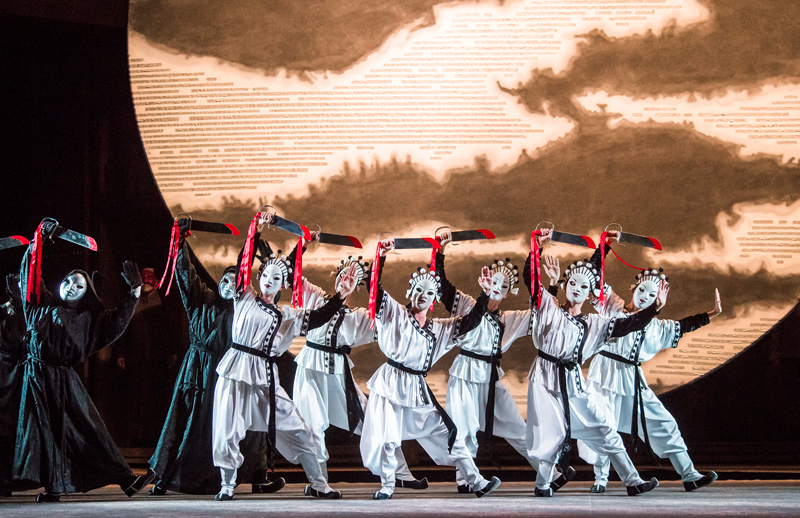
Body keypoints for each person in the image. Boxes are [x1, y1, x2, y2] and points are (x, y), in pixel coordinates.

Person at [212, 216, 359, 501]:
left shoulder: (287, 316)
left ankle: (319, 483)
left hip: (264, 375)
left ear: (283, 284)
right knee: (226, 429)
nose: (269, 280)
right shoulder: (243, 295)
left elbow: (318, 317)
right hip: (235, 369)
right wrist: (255, 230)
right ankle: (227, 485)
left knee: (298, 427)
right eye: (266, 274)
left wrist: (340, 295)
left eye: (276, 278)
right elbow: (245, 259)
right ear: (258, 276)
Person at [14, 219, 151, 502]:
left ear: (85, 293)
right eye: (68, 281)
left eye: (78, 285)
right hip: (36, 381)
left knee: (89, 429)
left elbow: (115, 323)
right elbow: (30, 272)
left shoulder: (87, 322)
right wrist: (39, 239)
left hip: (64, 382)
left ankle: (125, 479)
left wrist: (134, 294)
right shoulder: (38, 306)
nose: (71, 286)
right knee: (43, 434)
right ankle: (52, 487)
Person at [522, 228, 667, 497]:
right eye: (573, 283)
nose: (577, 289)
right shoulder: (549, 306)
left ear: (591, 293)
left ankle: (633, 481)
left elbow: (628, 324)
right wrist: (536, 248)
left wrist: (653, 309)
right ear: (565, 286)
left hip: (574, 382)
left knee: (605, 429)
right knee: (554, 435)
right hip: (545, 380)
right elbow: (530, 279)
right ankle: (542, 484)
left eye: (585, 286)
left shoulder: (594, 323)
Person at [577, 231, 721, 493]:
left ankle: (689, 474)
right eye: (642, 289)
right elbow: (592, 276)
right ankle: (600, 477)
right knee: (601, 424)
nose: (645, 296)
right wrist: (604, 247)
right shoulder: (612, 306)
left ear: (659, 301)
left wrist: (710, 314)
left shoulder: (655, 326)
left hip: (632, 378)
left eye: (652, 295)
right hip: (604, 374)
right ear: (634, 288)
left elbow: (682, 326)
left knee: (662, 422)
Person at [359, 238, 501, 500]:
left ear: (435, 299)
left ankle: (477, 480)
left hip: (416, 389)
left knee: (449, 432)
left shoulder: (439, 329)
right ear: (410, 292)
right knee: (389, 436)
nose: (423, 295)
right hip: (391, 383)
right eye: (418, 290)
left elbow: (469, 322)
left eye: (429, 293)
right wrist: (380, 255)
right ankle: (388, 484)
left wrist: (484, 295)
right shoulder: (394, 313)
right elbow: (374, 289)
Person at [434, 232, 575, 493]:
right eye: (494, 281)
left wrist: (551, 283)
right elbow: (440, 285)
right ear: (485, 281)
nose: (498, 286)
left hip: (491, 378)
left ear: (509, 293)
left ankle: (550, 472)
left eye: (504, 285)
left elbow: (542, 313)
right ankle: (467, 480)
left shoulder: (510, 319)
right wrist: (439, 251)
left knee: (517, 428)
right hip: (465, 373)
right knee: (463, 429)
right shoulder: (467, 304)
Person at [148, 221, 282, 495]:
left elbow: (251, 276)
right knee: (187, 422)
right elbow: (185, 273)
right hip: (198, 371)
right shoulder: (201, 299)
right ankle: (164, 477)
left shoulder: (245, 310)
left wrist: (256, 244)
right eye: (225, 280)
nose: (230, 284)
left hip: (231, 374)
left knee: (249, 422)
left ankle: (257, 476)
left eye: (236, 281)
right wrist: (179, 242)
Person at [292, 244, 427, 491]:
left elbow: (391, 320)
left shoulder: (359, 317)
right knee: (312, 425)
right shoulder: (314, 296)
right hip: (310, 369)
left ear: (357, 286)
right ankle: (319, 484)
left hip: (339, 372)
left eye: (353, 278)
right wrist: (303, 245)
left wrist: (417, 310)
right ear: (336, 277)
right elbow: (292, 273)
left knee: (373, 418)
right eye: (344, 274)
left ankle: (401, 473)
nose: (347, 280)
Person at [0, 274, 28, 496]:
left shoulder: (31, 312)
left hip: (16, 374)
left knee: (10, 425)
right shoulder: (4, 310)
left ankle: (8, 478)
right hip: (4, 369)